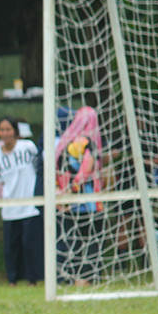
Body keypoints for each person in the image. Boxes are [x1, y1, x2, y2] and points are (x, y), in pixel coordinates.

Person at [0, 116, 42, 286]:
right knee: (12, 246)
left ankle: (32, 279)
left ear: (15, 131)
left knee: (30, 244)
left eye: (8, 129)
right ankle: (12, 280)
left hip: (30, 205)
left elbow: (38, 168)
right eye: (2, 130)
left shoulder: (28, 147)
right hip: (10, 207)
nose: (5, 133)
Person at [55, 106, 105, 286]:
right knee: (91, 239)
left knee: (72, 240)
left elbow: (57, 171)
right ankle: (87, 276)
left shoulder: (63, 143)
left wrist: (61, 192)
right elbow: (85, 171)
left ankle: (71, 274)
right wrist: (73, 190)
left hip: (67, 201)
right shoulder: (86, 143)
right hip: (87, 201)